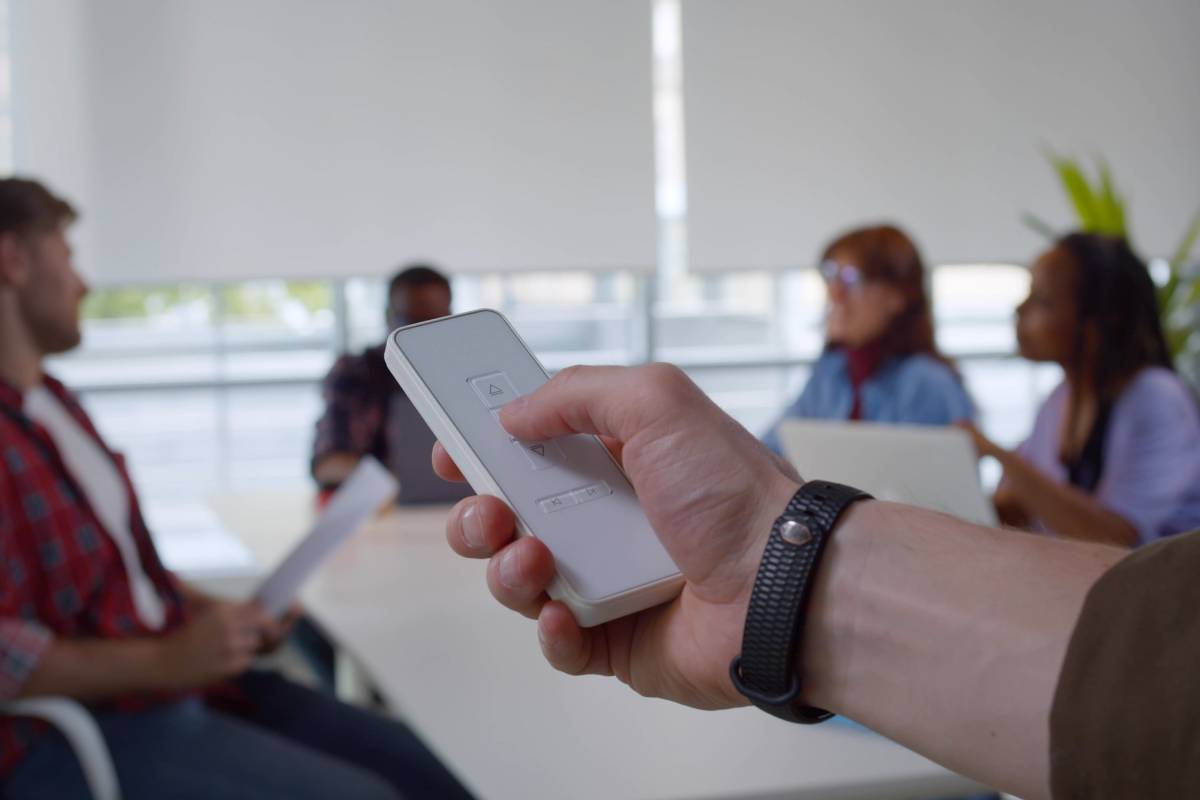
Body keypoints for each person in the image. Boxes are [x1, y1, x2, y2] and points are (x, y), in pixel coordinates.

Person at [431, 362, 1199, 799]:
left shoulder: (937, 384)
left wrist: (781, 569)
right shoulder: (832, 369)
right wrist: (775, 567)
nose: (835, 288)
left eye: (851, 274)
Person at [0, 178, 472, 799]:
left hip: (180, 685)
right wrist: (168, 659)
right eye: (67, 257)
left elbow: (128, 580)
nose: (83, 283)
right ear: (13, 261)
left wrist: (224, 619)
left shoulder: (58, 406)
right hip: (85, 727)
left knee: (434, 770)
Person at [962, 233, 1200, 547]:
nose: (1020, 309)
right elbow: (1015, 509)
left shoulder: (1155, 398)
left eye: (1042, 300)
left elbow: (1119, 543)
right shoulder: (1060, 400)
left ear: (1097, 322)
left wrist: (996, 454)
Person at [762, 225, 973, 455]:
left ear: (897, 296)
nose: (835, 293)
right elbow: (771, 450)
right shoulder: (830, 373)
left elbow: (934, 484)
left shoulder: (928, 383)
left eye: (851, 278)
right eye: (831, 275)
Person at [311, 264, 455, 499]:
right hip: (384, 513)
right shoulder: (357, 372)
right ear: (388, 316)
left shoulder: (461, 372)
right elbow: (328, 464)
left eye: (433, 321)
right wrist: (395, 484)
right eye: (409, 320)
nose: (418, 332)